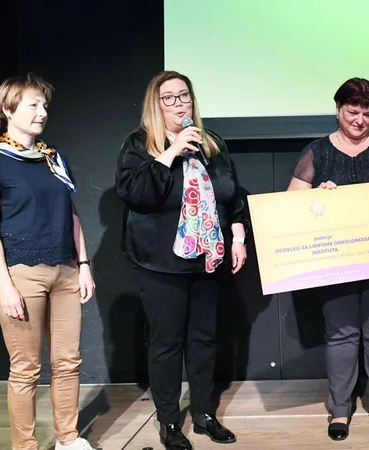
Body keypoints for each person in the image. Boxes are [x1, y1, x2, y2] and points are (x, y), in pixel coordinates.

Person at [115, 71, 247, 450]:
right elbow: (136, 192)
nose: (178, 104)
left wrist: (238, 236)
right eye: (168, 98)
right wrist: (172, 152)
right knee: (166, 344)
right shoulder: (140, 144)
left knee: (204, 340)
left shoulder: (211, 143)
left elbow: (230, 195)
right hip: (161, 262)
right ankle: (170, 423)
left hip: (207, 259)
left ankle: (204, 414)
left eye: (183, 96)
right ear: (155, 105)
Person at [287, 77, 369, 442]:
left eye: (367, 114)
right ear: (337, 109)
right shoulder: (317, 151)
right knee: (341, 335)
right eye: (352, 111)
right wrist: (318, 197)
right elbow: (292, 202)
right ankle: (341, 411)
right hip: (337, 258)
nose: (360, 120)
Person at [0, 74, 95, 450]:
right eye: (33, 104)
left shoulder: (53, 158)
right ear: (8, 109)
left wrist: (85, 264)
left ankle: (67, 438)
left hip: (65, 271)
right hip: (22, 274)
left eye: (44, 105)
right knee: (26, 369)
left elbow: (72, 214)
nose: (43, 112)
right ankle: (24, 446)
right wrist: (5, 284)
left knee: (68, 361)